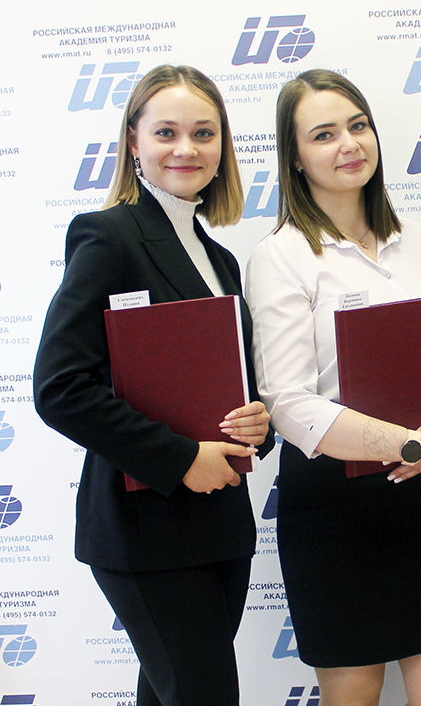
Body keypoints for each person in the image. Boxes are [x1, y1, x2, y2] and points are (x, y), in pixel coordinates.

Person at [33, 65, 273, 706]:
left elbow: (235, 385)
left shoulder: (219, 259)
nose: (186, 149)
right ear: (133, 143)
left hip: (220, 524)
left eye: (204, 133)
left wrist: (259, 424)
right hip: (143, 529)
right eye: (166, 132)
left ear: (223, 147)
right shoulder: (109, 236)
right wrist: (181, 457)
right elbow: (60, 388)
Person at [244, 69, 421, 706]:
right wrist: (412, 445)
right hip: (333, 512)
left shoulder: (420, 242)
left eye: (358, 125)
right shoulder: (282, 254)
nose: (348, 144)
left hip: (418, 499)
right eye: (323, 134)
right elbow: (289, 405)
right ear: (295, 157)